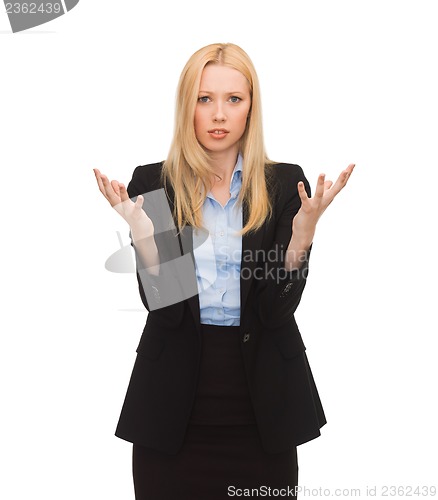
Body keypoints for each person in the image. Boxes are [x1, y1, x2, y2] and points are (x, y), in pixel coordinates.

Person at [94, 42, 354, 500]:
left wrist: (302, 235)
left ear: (251, 108)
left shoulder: (283, 183)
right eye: (204, 98)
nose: (219, 114)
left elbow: (277, 310)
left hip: (262, 406)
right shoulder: (152, 183)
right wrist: (142, 235)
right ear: (186, 107)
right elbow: (167, 309)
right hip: (172, 406)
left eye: (234, 99)